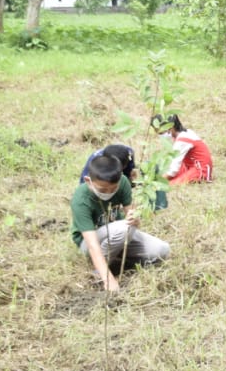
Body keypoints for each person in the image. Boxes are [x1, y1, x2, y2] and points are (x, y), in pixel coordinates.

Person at [70, 153, 170, 292]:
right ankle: (99, 270)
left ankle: (115, 261)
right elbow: (92, 245)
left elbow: (133, 221)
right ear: (88, 181)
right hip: (88, 243)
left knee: (161, 250)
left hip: (117, 235)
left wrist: (135, 218)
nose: (109, 193)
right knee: (124, 228)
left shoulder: (122, 182)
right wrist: (108, 279)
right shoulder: (81, 200)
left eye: (113, 189)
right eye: (103, 189)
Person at [154, 114, 214, 185]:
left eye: (161, 132)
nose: (161, 135)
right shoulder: (184, 133)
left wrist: (156, 182)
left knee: (170, 184)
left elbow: (173, 170)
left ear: (171, 127)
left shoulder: (182, 140)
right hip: (188, 166)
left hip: (200, 169)